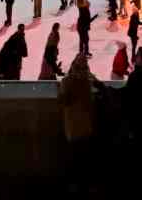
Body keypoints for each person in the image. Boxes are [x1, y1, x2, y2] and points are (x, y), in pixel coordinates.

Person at [58, 54, 103, 185]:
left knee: (76, 162)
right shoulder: (84, 82)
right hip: (82, 128)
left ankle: (76, 186)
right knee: (81, 162)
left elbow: (63, 101)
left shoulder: (69, 82)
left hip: (75, 129)